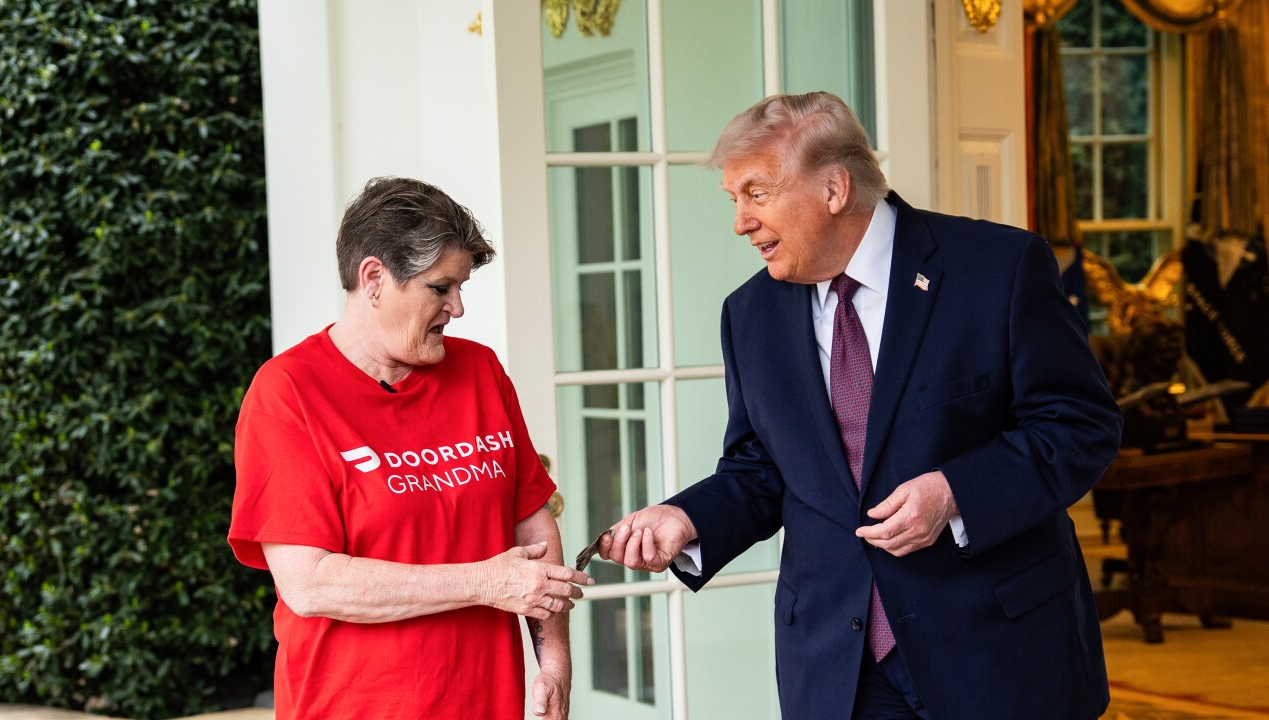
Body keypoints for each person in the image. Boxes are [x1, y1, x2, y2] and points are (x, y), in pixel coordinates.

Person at [596, 92, 1122, 719]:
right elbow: (762, 469)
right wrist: (686, 519)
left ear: (835, 189)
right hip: (836, 670)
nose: (740, 221)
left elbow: (1080, 425)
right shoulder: (750, 313)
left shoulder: (998, 268)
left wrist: (955, 492)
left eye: (756, 194)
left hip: (997, 652)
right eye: (733, 199)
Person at [228, 177, 592, 720]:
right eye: (440, 289)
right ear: (373, 278)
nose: (458, 308)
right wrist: (484, 581)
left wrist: (555, 663)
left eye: (461, 287)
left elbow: (533, 527)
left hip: (487, 703)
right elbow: (309, 583)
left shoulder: (481, 371)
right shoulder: (289, 393)